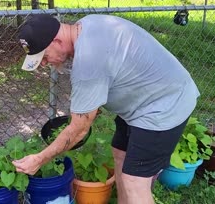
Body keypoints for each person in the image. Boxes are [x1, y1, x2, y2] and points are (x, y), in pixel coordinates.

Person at [12, 14, 200, 204]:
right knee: (120, 154)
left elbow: (78, 130)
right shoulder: (86, 24)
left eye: (44, 56)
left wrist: (40, 159)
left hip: (165, 103)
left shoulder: (88, 60)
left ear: (57, 41)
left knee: (135, 181)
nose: (44, 63)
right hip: (144, 98)